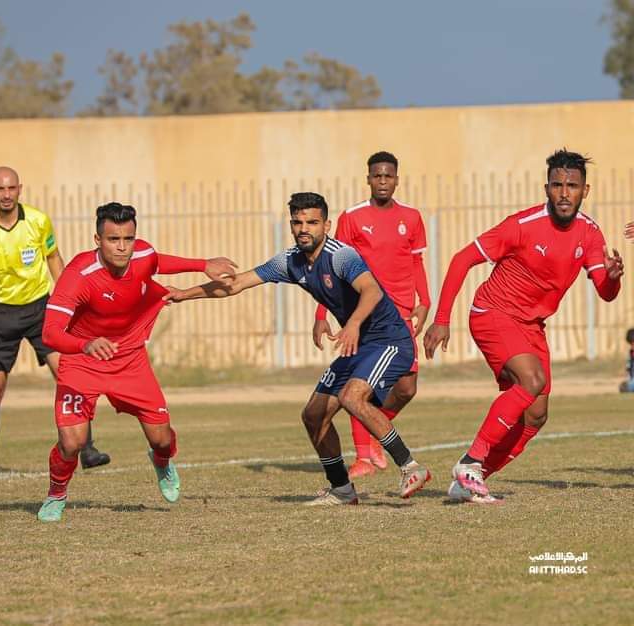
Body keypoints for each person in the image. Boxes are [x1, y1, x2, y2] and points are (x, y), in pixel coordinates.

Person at [166, 192, 431, 505]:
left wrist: (353, 324)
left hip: (389, 339)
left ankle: (411, 467)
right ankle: (342, 489)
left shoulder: (341, 255)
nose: (304, 228)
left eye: (312, 222)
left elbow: (371, 291)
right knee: (314, 415)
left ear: (327, 225)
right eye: (298, 222)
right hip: (360, 342)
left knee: (351, 398)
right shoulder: (290, 261)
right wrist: (184, 293)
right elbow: (235, 284)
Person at [423, 149, 624, 504]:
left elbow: (606, 293)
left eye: (572, 186)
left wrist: (612, 277)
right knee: (532, 381)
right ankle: (469, 462)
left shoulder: (590, 233)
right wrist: (441, 320)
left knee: (536, 414)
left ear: (585, 190)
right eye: (557, 185)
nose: (564, 193)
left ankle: (474, 478)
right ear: (546, 188)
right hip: (493, 313)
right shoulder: (522, 225)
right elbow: (461, 260)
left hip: (532, 325)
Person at [36, 202, 237, 522]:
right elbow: (49, 334)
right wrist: (84, 344)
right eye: (113, 239)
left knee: (162, 439)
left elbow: (157, 261)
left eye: (128, 239)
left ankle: (161, 463)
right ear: (97, 240)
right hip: (82, 361)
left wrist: (202, 264)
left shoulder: (141, 255)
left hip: (129, 359)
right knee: (71, 442)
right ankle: (56, 493)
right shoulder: (78, 275)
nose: (122, 247)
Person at [0, 166, 110, 473]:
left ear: (20, 189)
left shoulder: (38, 221)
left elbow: (54, 260)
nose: (6, 194)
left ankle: (88, 449)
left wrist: (72, 304)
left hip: (41, 311)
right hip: (0, 314)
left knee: (68, 374)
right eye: (0, 189)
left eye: (11, 188)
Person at [312, 151, 430, 479]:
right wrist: (322, 312)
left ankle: (377, 430)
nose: (382, 182)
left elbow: (417, 261)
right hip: (365, 314)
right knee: (359, 384)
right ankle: (364, 456)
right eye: (376, 176)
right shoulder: (352, 217)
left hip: (403, 311)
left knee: (407, 387)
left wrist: (426, 300)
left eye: (388, 176)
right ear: (368, 179)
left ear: (396, 179)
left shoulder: (412, 217)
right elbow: (331, 265)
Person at [619, 328, 634, 393]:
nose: (632, 346)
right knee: (624, 386)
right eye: (631, 344)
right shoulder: (631, 353)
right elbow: (629, 369)